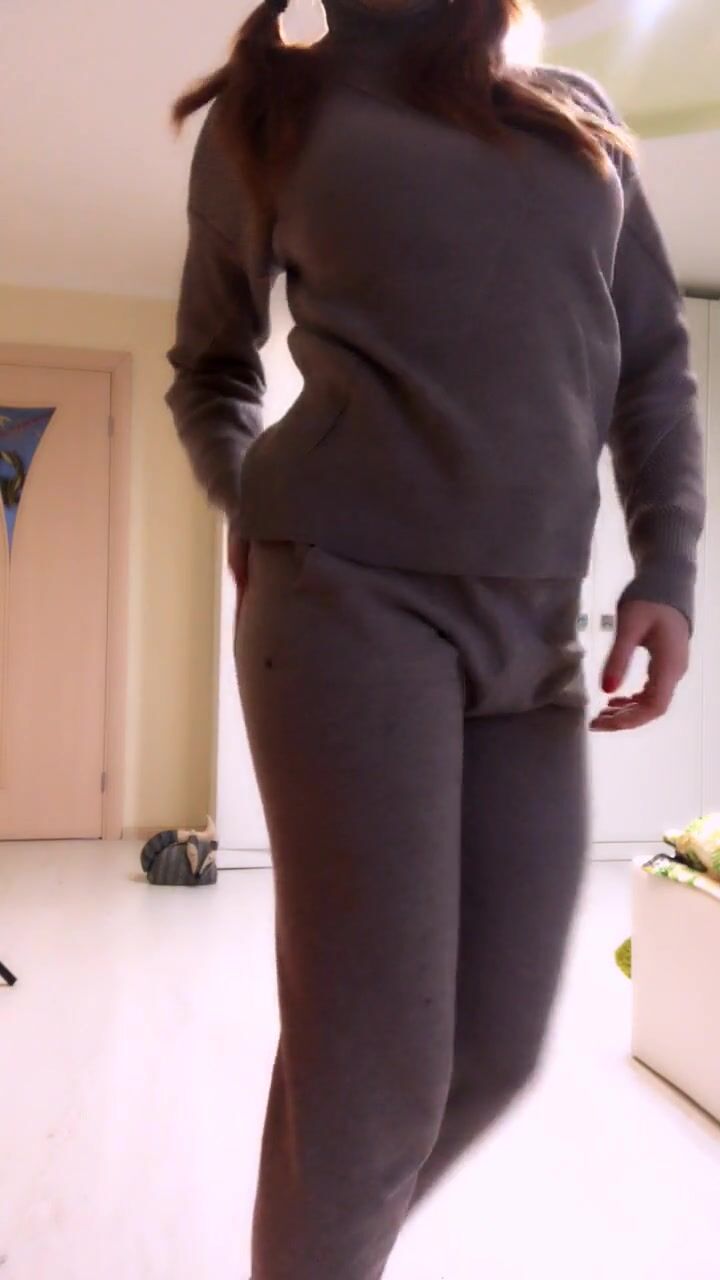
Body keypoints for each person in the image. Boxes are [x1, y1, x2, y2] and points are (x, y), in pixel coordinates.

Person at [167, 0, 705, 1275]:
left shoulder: (578, 117)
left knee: (496, 1051)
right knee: (370, 1085)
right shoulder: (275, 107)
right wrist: (249, 499)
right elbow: (212, 368)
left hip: (537, 632)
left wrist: (669, 562)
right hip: (347, 601)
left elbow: (651, 362)